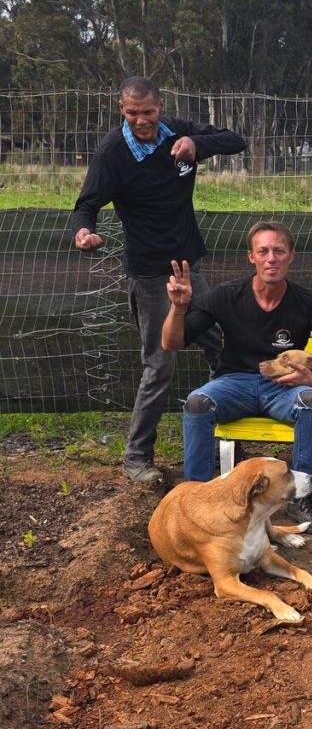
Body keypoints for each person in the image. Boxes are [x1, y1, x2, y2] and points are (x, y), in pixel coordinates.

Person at [69, 76, 247, 485]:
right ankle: (137, 457)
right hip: (149, 274)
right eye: (132, 113)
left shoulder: (177, 132)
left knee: (221, 347)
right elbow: (87, 204)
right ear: (121, 110)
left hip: (188, 266)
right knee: (159, 363)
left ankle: (232, 442)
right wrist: (83, 232)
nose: (141, 120)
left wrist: (197, 145)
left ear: (160, 107)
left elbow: (234, 139)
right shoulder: (113, 152)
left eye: (147, 112)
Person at [161, 221, 312, 534]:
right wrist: (178, 307)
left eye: (279, 251)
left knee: (310, 400)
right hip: (234, 383)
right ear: (251, 257)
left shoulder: (307, 303)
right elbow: (171, 342)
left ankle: (302, 497)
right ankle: (196, 498)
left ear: (291, 256)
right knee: (198, 403)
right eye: (263, 251)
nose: (271, 258)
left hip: (283, 388)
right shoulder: (226, 296)